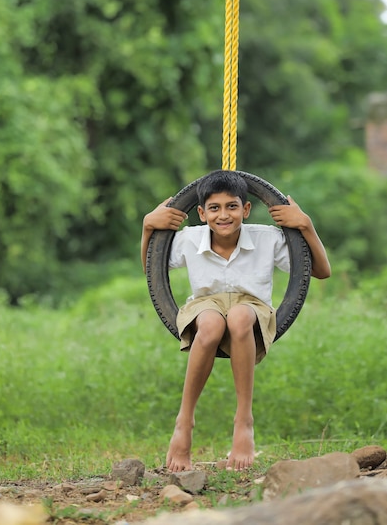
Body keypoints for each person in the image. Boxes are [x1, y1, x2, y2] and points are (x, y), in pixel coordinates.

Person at [141, 170, 331, 473]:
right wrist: (148, 227)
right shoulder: (190, 239)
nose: (223, 215)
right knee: (213, 323)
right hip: (205, 307)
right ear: (201, 213)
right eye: (214, 208)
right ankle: (184, 422)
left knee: (240, 316)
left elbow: (321, 271)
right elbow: (152, 272)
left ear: (246, 209)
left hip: (251, 307)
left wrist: (305, 225)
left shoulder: (267, 239)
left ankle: (244, 421)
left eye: (232, 206)